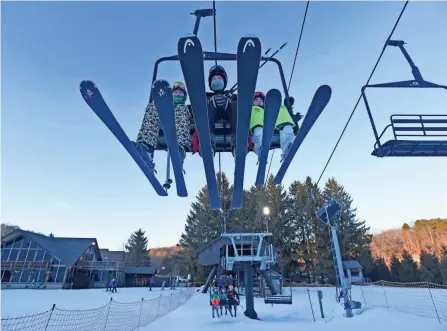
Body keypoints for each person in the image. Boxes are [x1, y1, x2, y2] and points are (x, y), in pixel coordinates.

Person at [133, 82, 192, 172]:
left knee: (182, 109)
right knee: (153, 106)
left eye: (180, 93)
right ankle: (146, 150)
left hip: (178, 132)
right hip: (162, 126)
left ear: (184, 97)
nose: (178, 95)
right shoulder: (164, 107)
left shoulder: (185, 109)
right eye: (176, 93)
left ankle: (179, 151)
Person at [249, 91, 296, 160]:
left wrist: (287, 108)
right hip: (257, 131)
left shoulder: (269, 111)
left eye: (261, 100)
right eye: (256, 100)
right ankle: (260, 149)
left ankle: (288, 145)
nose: (259, 102)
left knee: (280, 108)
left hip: (274, 129)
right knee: (256, 111)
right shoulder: (252, 110)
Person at [205, 65, 238, 157]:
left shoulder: (232, 95)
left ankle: (237, 144)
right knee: (207, 106)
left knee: (235, 106)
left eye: (219, 78)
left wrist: (230, 102)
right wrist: (210, 102)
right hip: (211, 116)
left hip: (229, 115)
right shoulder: (206, 96)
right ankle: (208, 144)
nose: (216, 80)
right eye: (214, 78)